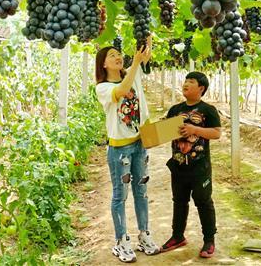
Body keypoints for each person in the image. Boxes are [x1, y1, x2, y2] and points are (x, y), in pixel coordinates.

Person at [95, 40, 161, 262]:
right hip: (120, 150)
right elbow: (123, 90)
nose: (118, 57)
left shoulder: (134, 75)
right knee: (120, 196)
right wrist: (134, 64)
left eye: (119, 54)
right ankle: (121, 241)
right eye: (112, 55)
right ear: (103, 64)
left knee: (141, 192)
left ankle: (144, 235)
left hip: (139, 144)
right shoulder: (103, 88)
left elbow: (143, 61)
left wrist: (145, 44)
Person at [159, 71, 221, 259]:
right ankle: (177, 236)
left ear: (201, 88)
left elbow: (216, 133)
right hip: (178, 166)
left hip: (199, 167)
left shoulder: (208, 110)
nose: (185, 84)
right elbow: (165, 132)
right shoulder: (175, 109)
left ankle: (209, 240)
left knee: (203, 202)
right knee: (179, 201)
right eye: (185, 80)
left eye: (191, 81)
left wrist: (195, 129)